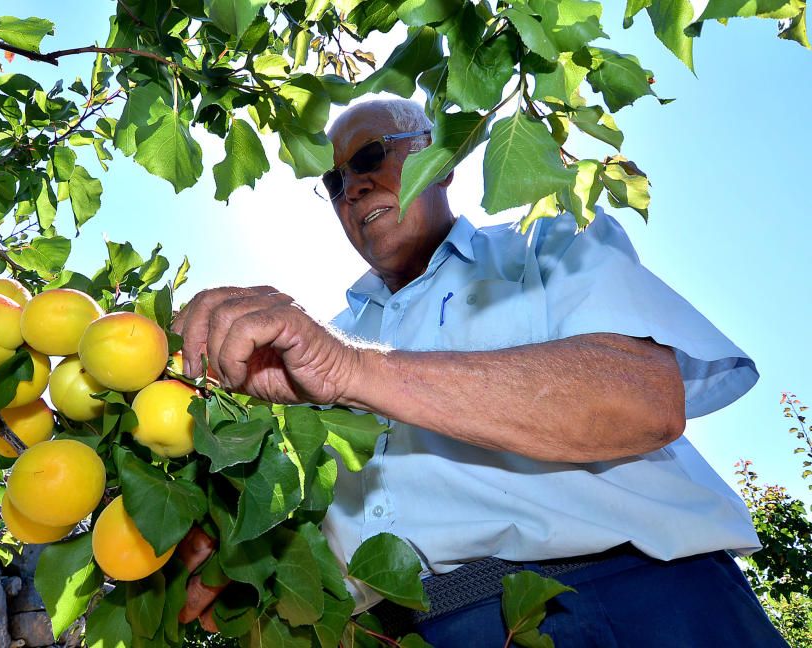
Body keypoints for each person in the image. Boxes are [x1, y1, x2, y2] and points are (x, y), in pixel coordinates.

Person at [172, 99, 785, 646]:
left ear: (439, 160)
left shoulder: (545, 246)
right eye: (334, 181)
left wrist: (351, 368)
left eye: (371, 157)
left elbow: (644, 401)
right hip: (429, 629)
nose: (352, 188)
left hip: (632, 598)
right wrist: (232, 537)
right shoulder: (308, 347)